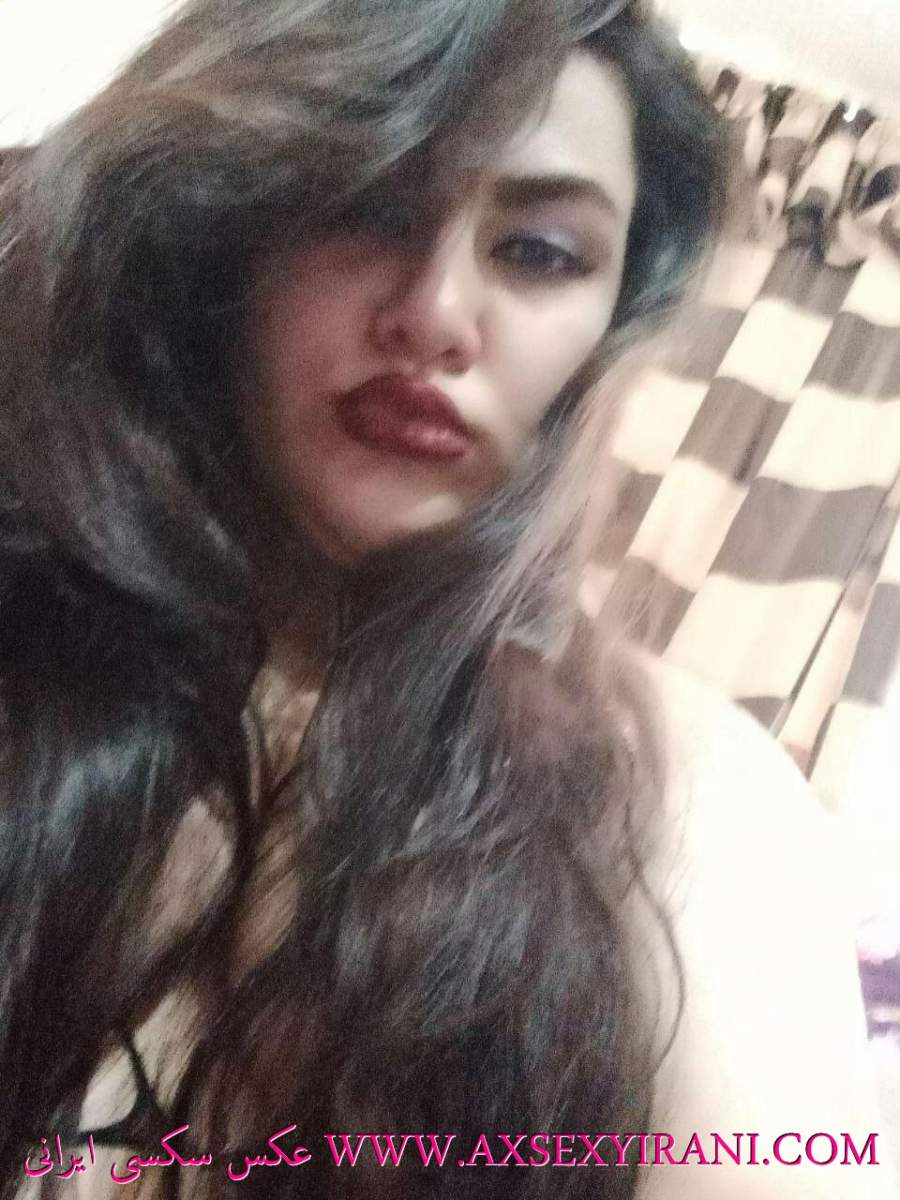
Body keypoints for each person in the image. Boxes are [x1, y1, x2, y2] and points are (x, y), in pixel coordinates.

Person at [0, 0, 891, 1197]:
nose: (434, 314)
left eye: (542, 253)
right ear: (221, 231)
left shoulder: (687, 792)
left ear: (611, 318)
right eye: (365, 206)